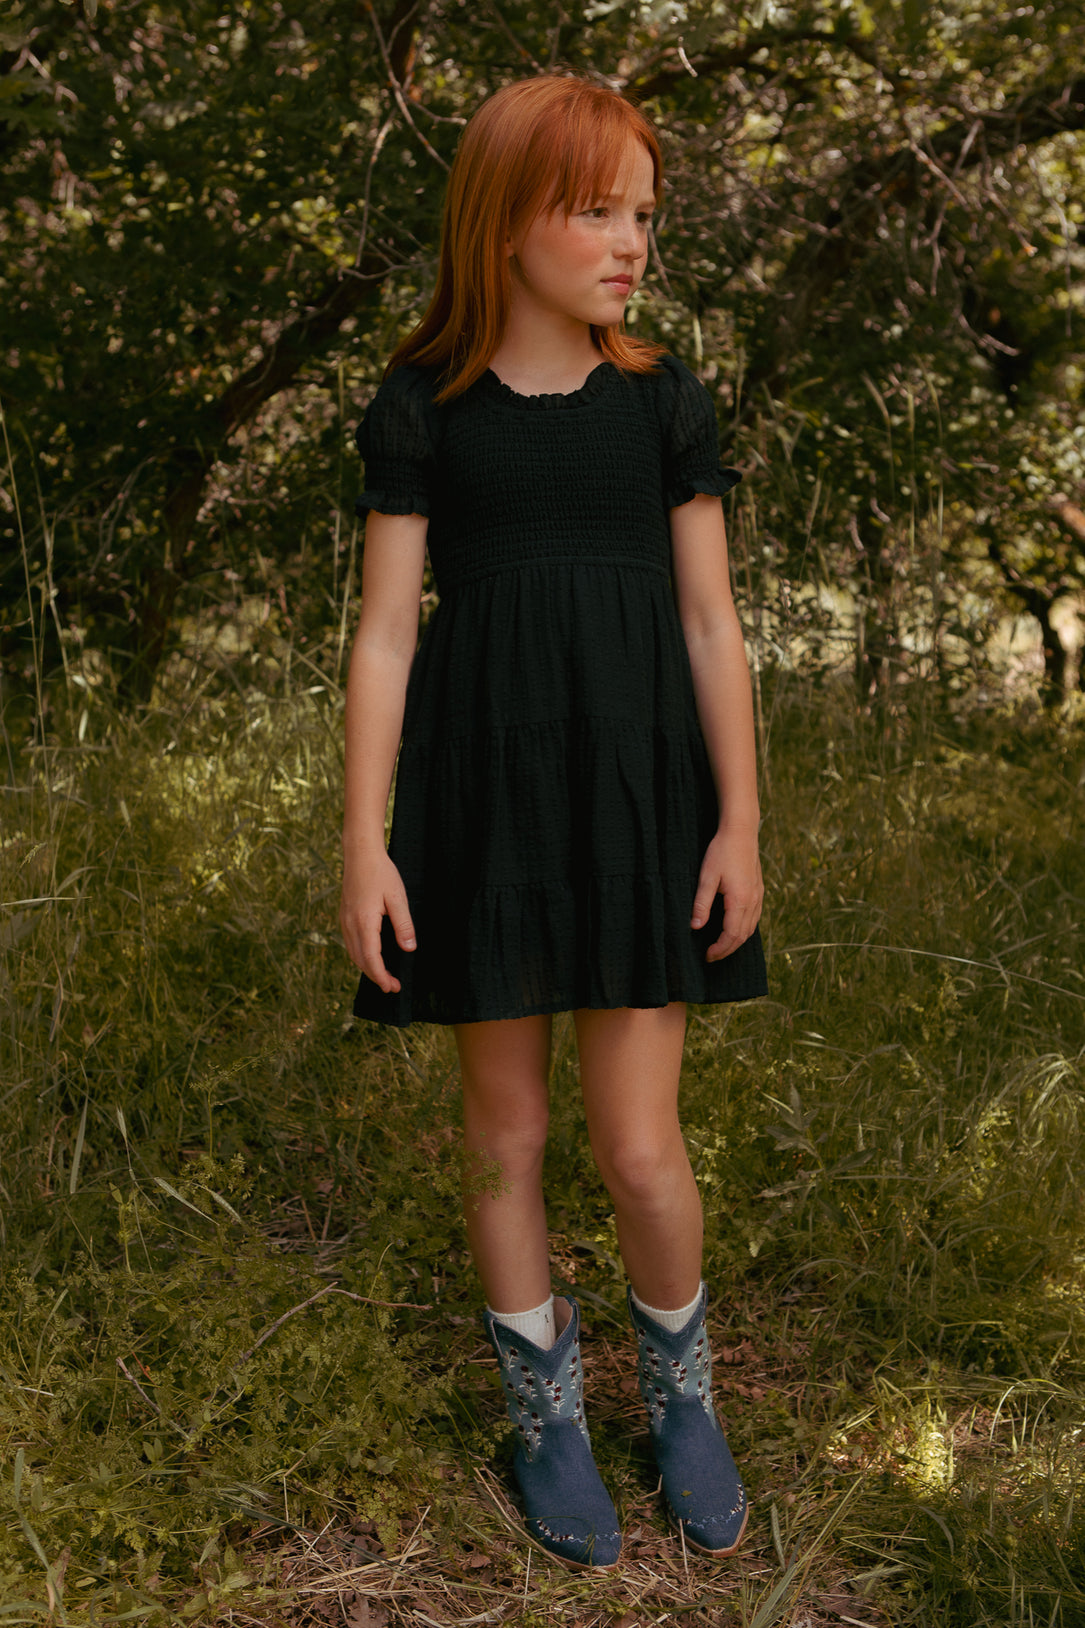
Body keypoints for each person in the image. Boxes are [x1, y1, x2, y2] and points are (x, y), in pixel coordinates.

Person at [339, 73, 767, 1572]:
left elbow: (711, 626)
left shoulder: (661, 404)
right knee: (505, 1131)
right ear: (506, 220)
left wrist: (739, 824)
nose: (631, 240)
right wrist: (364, 842)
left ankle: (682, 1399)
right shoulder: (425, 411)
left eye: (644, 214)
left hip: (644, 800)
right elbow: (386, 636)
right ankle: (545, 1415)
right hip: (482, 805)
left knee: (640, 1147)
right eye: (596, 210)